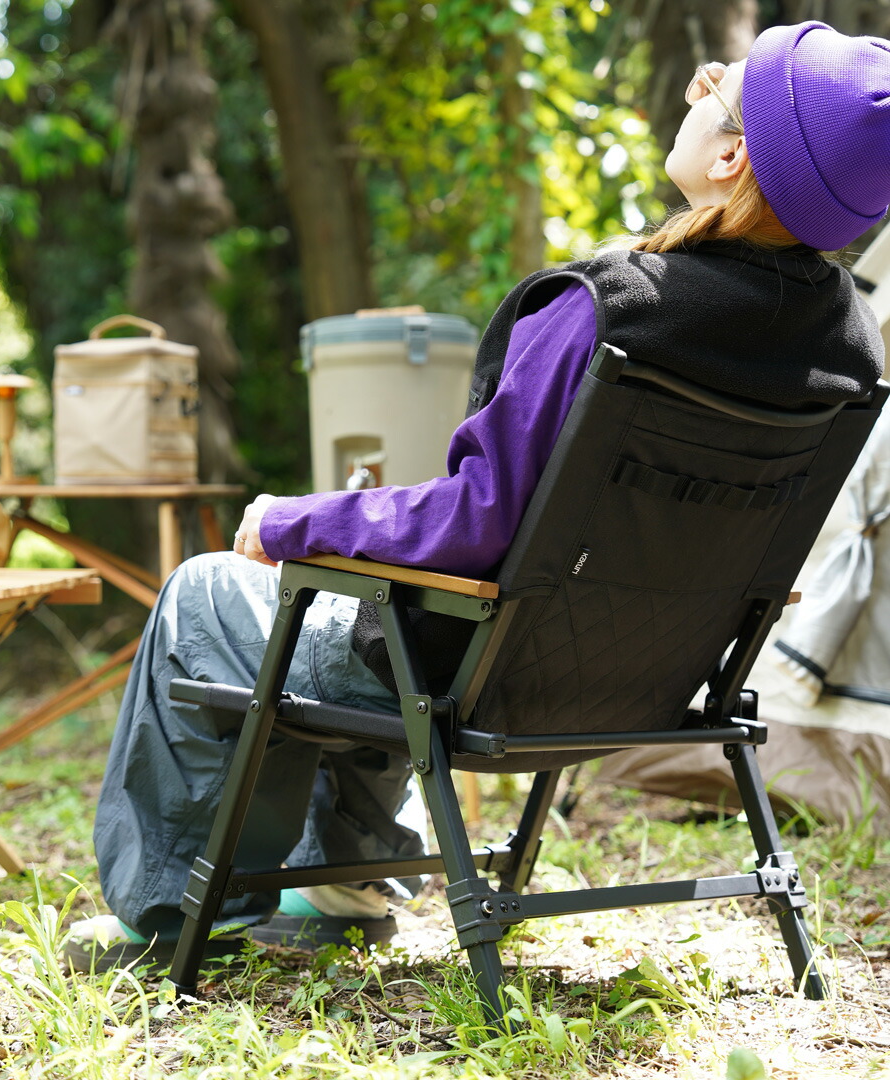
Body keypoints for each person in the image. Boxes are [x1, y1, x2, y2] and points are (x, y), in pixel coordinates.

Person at [64, 20, 890, 972]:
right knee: (364, 604)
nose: (701, 78)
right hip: (650, 683)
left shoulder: (607, 310)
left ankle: (171, 914)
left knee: (209, 595)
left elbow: (474, 523)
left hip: (493, 674)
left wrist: (291, 520)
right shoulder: (848, 348)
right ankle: (345, 885)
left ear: (732, 154)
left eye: (724, 84)